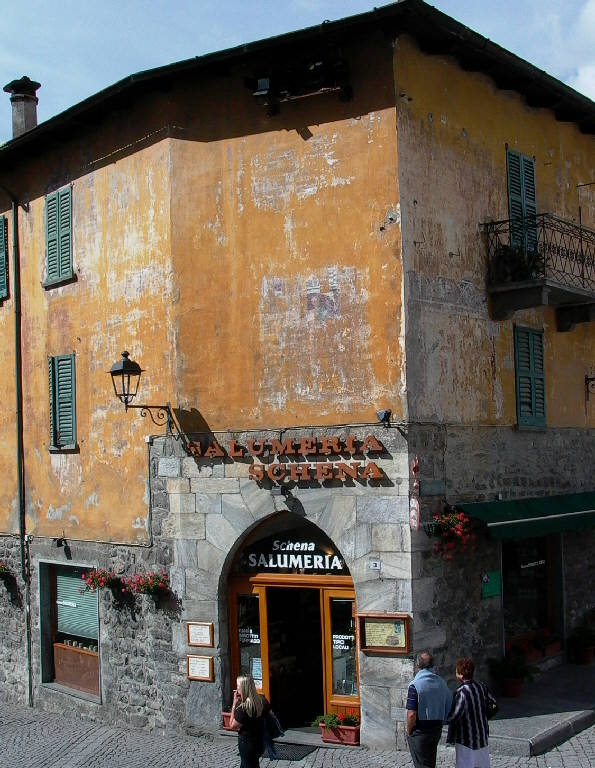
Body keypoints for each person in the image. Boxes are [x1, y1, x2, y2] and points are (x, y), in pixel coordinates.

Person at [447, 657, 497, 768]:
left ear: (460, 674)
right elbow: (493, 704)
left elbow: (455, 716)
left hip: (466, 739)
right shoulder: (482, 687)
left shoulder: (462, 692)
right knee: (482, 764)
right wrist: (483, 716)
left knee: (465, 764)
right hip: (482, 735)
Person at [406, 650, 453, 768]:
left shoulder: (415, 685)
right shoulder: (441, 682)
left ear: (417, 665)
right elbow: (449, 703)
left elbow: (411, 714)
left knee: (421, 764)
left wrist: (409, 730)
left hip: (420, 730)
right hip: (436, 728)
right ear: (432, 664)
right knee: (431, 763)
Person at [229, 674, 270, 768]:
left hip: (247, 742)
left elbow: (232, 725)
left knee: (248, 764)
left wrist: (234, 705)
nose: (237, 689)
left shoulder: (243, 708)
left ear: (243, 688)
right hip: (259, 741)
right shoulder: (262, 700)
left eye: (238, 686)